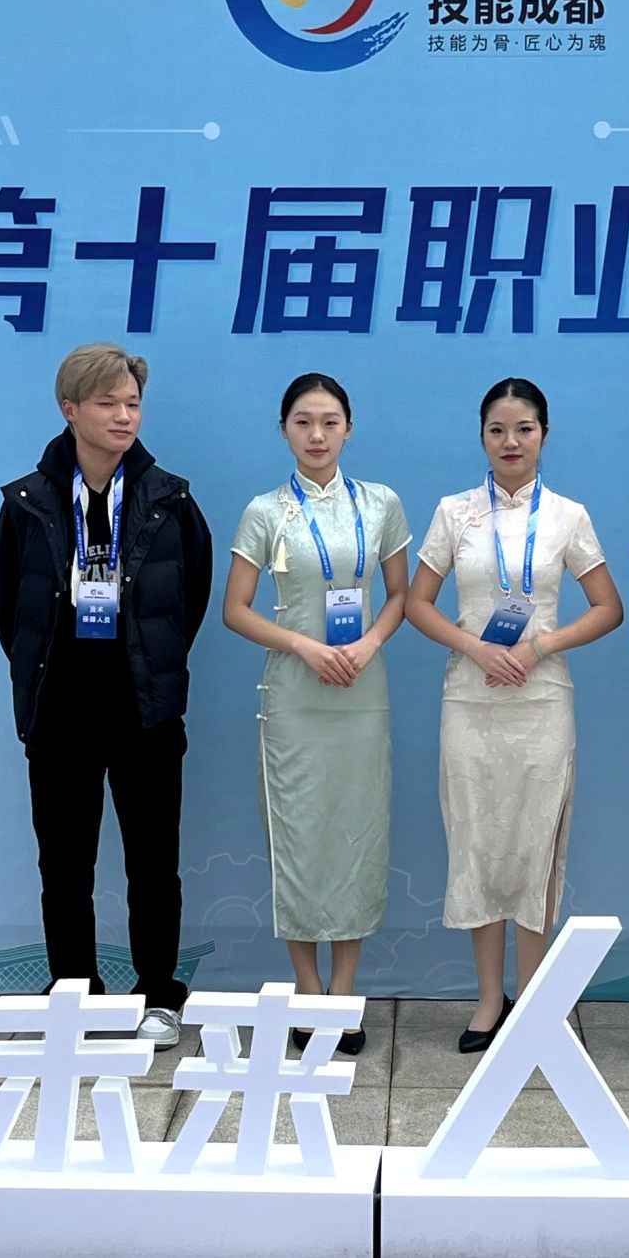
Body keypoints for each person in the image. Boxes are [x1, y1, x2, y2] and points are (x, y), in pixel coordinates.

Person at [0, 342, 213, 1049]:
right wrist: (45, 675)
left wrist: (150, 664)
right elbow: (11, 608)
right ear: (70, 409)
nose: (124, 416)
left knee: (153, 861)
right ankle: (75, 991)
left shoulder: (170, 499)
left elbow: (190, 598)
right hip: (60, 710)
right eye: (107, 402)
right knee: (64, 864)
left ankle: (158, 992)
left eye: (133, 403)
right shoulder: (27, 503)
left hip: (144, 709)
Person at [405, 378, 624, 1052]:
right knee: (477, 840)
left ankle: (532, 999)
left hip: (541, 700)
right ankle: (488, 998)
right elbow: (416, 603)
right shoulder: (454, 512)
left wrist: (539, 647)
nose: (510, 441)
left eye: (524, 428)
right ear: (482, 436)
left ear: (544, 435)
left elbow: (608, 607)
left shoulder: (567, 516)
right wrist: (476, 647)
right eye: (497, 429)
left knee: (533, 844)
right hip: (470, 700)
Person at [222, 374, 411, 1054]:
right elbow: (235, 609)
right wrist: (303, 645)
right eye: (303, 421)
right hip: (294, 697)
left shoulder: (381, 503)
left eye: (330, 421)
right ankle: (308, 990)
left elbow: (401, 594)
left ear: (349, 428)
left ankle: (345, 992)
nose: (317, 434)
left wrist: (369, 643)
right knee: (300, 836)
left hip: (361, 690)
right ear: (284, 429)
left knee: (358, 831)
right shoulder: (265, 511)